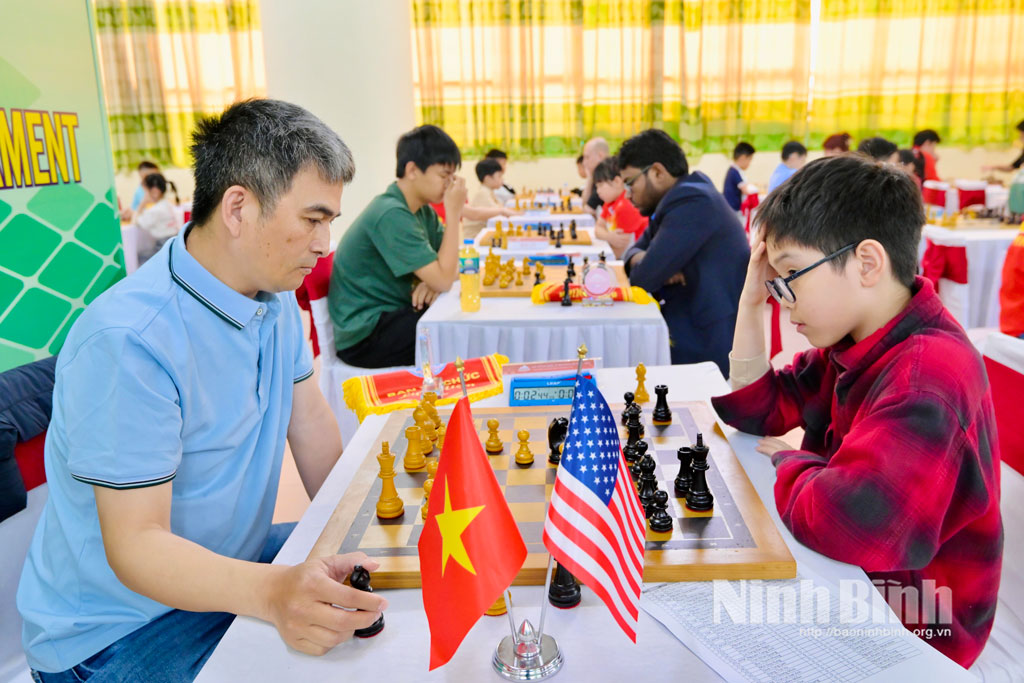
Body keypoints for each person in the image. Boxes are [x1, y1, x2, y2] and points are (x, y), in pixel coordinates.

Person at [17, 99, 387, 681]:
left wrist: (361, 523)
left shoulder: (273, 297)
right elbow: (137, 545)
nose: (324, 244)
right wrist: (273, 595)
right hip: (118, 629)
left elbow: (310, 419)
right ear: (238, 207)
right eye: (313, 219)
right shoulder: (130, 340)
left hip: (228, 565)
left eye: (330, 223)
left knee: (380, 585)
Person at [711, 154, 1001, 669]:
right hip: (860, 579)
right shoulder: (858, 339)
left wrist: (793, 461)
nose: (784, 299)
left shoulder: (926, 377)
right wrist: (750, 304)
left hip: (918, 627)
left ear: (867, 263)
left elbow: (847, 526)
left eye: (792, 275)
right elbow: (759, 408)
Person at [329, 124, 466, 368]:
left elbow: (455, 265)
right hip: (365, 335)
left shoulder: (422, 212)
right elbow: (445, 278)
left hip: (393, 315)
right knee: (454, 334)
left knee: (454, 322)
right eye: (444, 176)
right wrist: (454, 212)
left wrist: (432, 282)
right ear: (412, 169)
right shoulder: (391, 213)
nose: (449, 185)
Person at [618, 129, 749, 375]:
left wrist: (648, 262)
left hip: (704, 339)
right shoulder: (680, 197)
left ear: (657, 172)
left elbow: (642, 277)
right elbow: (634, 252)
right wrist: (642, 258)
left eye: (630, 182)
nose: (627, 193)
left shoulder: (692, 202)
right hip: (693, 322)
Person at [592, 156, 649, 259]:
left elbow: (616, 255)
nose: (598, 191)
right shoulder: (610, 202)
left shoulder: (625, 206)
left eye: (600, 185)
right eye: (596, 187)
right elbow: (598, 228)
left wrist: (605, 235)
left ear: (617, 181)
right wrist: (608, 236)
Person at [134, 172, 182, 263]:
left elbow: (137, 222)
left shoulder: (156, 210)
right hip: (173, 245)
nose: (144, 195)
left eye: (145, 192)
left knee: (141, 257)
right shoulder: (166, 205)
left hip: (163, 247)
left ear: (155, 191)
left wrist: (142, 203)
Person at [463, 158, 514, 238]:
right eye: (499, 176)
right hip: (475, 238)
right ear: (488, 178)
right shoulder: (482, 194)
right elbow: (499, 214)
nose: (502, 180)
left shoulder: (489, 192)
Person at [723, 141, 756, 213]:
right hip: (733, 209)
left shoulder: (734, 170)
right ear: (743, 157)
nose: (750, 163)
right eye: (750, 159)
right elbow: (746, 190)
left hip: (732, 208)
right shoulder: (734, 172)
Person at [581, 137, 610, 216]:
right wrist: (590, 177)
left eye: (587, 157)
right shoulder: (599, 175)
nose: (584, 163)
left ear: (600, 156)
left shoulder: (607, 176)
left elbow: (588, 208)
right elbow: (585, 205)